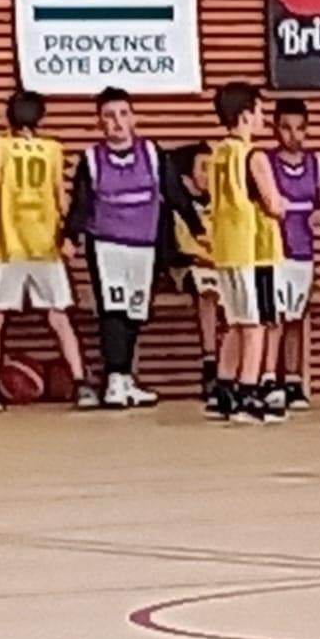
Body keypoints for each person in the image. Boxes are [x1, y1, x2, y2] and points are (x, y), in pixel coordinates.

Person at [65, 87, 205, 408]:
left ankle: (125, 376)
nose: (117, 122)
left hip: (144, 245)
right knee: (113, 311)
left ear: (134, 118)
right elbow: (81, 204)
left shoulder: (153, 154)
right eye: (109, 116)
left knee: (135, 312)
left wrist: (198, 228)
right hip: (107, 246)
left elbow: (175, 193)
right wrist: (70, 236)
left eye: (123, 114)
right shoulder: (91, 159)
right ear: (99, 122)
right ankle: (114, 379)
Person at [0, 89, 96, 413]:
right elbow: (62, 200)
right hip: (46, 245)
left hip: (10, 246)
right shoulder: (53, 149)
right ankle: (82, 386)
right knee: (59, 316)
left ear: (8, 115)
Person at [207, 82, 288, 425]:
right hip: (254, 249)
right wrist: (284, 205)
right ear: (245, 115)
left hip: (225, 248)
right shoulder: (253, 156)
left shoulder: (218, 154)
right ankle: (248, 393)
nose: (263, 117)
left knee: (236, 322)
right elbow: (273, 204)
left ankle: (224, 390)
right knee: (255, 325)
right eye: (259, 110)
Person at [261, 98, 320, 413]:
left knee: (295, 317)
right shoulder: (265, 162)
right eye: (286, 128)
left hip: (303, 250)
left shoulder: (318, 164)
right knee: (273, 317)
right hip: (274, 250)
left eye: (300, 128)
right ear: (276, 129)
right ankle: (268, 378)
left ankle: (292, 379)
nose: (293, 135)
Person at [167, 142, 221, 399]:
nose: (209, 174)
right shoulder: (175, 206)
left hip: (221, 266)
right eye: (203, 168)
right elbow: (171, 251)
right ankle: (210, 363)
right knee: (207, 291)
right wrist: (198, 259)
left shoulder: (222, 204)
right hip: (187, 267)